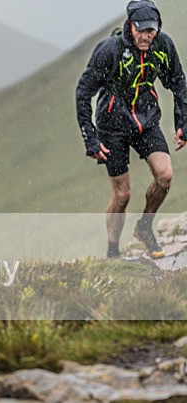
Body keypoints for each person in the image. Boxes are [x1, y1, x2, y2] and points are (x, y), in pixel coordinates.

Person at [76, 0, 187, 259]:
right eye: (141, 31)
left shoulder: (163, 46)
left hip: (146, 119)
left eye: (151, 31)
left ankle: (144, 227)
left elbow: (178, 81)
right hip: (112, 123)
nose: (146, 37)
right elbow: (83, 91)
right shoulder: (110, 51)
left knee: (165, 176)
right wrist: (89, 137)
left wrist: (183, 122)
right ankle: (113, 251)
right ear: (130, 25)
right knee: (123, 194)